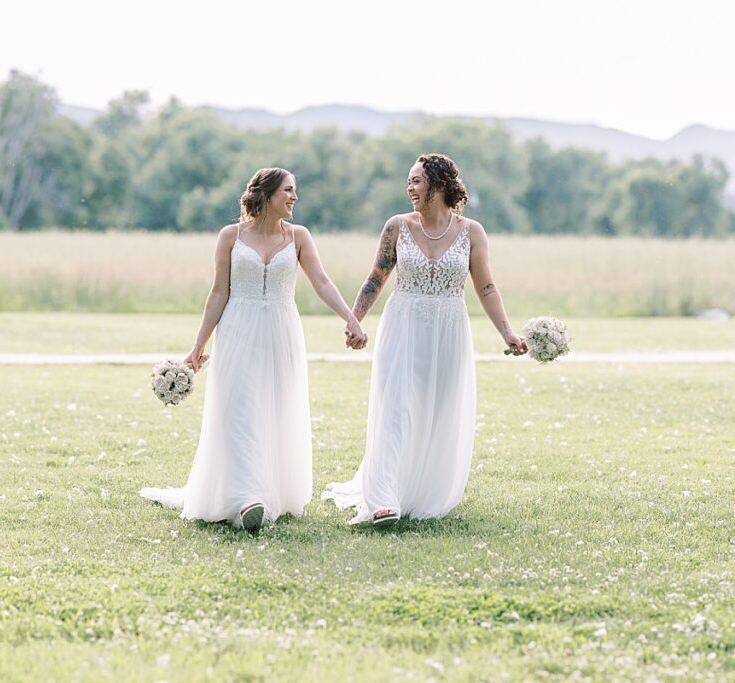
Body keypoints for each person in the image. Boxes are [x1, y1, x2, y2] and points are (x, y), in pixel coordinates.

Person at [141, 167, 367, 531]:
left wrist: (351, 318)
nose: (294, 198)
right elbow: (218, 293)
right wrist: (198, 347)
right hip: (237, 330)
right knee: (239, 410)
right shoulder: (230, 236)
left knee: (274, 408)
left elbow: (322, 282)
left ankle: (266, 489)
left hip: (282, 332)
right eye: (289, 191)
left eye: (295, 191)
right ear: (266, 194)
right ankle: (248, 498)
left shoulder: (299, 237)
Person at [323, 154, 527, 526]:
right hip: (402, 323)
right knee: (395, 406)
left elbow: (486, 287)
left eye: (416, 181)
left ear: (439, 184)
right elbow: (376, 277)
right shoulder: (397, 227)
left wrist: (507, 332)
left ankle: (420, 490)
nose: (410, 188)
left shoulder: (473, 232)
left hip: (449, 328)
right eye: (409, 181)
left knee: (437, 408)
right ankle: (383, 496)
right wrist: (355, 320)